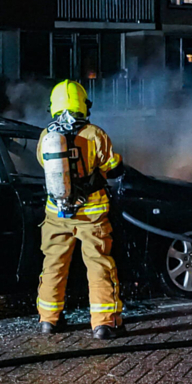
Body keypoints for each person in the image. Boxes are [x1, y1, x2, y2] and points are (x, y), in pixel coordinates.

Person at [36, 80, 126, 340]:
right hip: (92, 214)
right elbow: (113, 169)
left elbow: (43, 164)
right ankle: (103, 324)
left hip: (56, 214)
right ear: (83, 104)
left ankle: (48, 320)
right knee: (99, 266)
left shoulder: (46, 136)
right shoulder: (94, 134)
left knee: (53, 265)